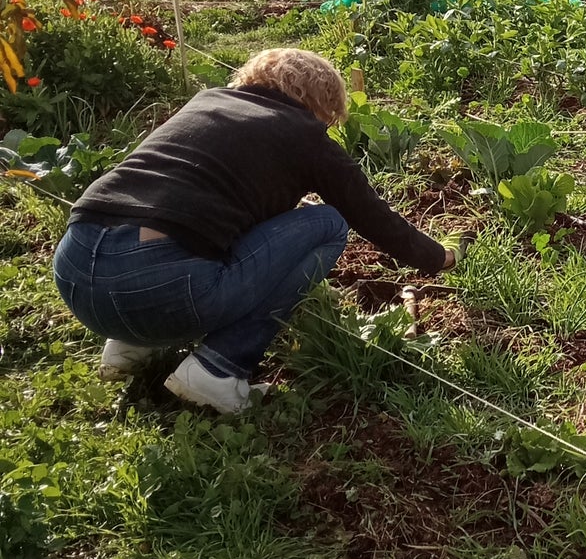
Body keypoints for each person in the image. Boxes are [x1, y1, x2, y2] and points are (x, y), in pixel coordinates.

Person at [53, 48, 453, 415]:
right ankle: (220, 368)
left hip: (75, 273)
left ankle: (131, 346)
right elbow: (370, 215)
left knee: (180, 226)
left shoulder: (206, 101)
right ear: (323, 105)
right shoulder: (305, 135)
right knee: (327, 223)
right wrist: (439, 257)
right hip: (161, 290)